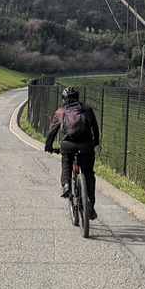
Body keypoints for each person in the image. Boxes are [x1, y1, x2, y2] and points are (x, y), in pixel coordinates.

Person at [44, 86, 100, 219]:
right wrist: (95, 142)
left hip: (68, 146)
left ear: (63, 99)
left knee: (66, 164)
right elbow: (95, 129)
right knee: (89, 174)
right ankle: (90, 206)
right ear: (77, 97)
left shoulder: (60, 112)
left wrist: (49, 147)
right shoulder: (87, 109)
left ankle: (67, 185)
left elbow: (52, 132)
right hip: (87, 146)